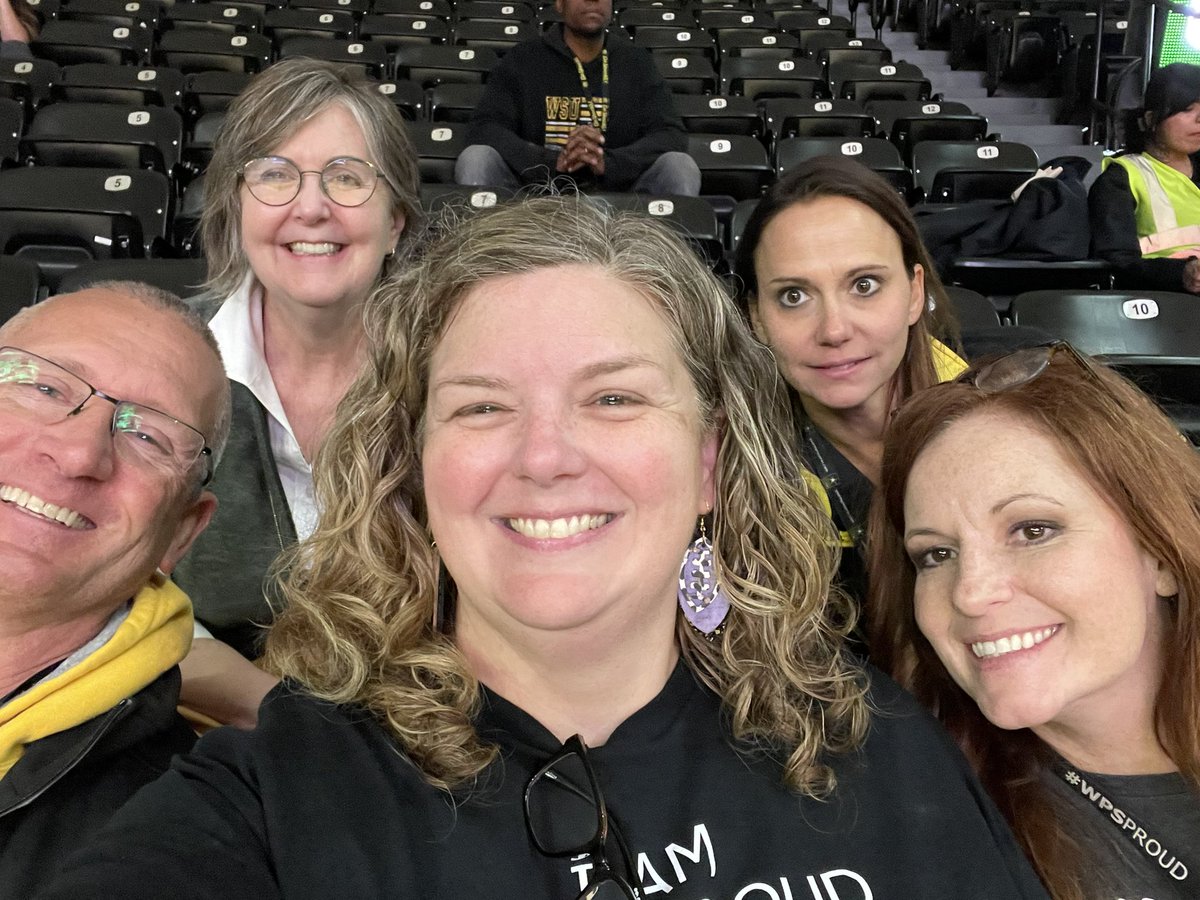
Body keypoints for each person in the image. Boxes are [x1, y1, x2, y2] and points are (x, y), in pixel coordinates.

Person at [44, 198, 1048, 900]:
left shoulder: (872, 743)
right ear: (415, 471)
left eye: (613, 398)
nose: (547, 457)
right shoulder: (272, 795)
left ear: (707, 465)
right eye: (482, 407)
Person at [867, 343, 1200, 900]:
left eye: (1033, 530)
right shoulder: (916, 823)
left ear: (1160, 551)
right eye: (936, 555)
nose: (971, 594)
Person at [172, 58, 421, 729]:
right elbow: (119, 603)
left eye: (346, 177)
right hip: (209, 746)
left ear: (395, 219)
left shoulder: (459, 376)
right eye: (275, 176)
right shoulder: (165, 374)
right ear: (236, 207)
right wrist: (281, 720)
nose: (311, 207)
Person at [0, 282, 231, 898]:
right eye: (45, 387)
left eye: (149, 436)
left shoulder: (190, 832)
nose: (79, 452)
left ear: (180, 532)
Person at [733, 155, 965, 610]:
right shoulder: (732, 474)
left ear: (915, 293)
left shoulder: (1008, 421)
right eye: (793, 296)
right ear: (757, 317)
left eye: (864, 286)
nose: (834, 330)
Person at [454, 0, 700, 195]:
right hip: (534, 197)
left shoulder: (636, 62)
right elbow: (485, 128)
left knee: (679, 166)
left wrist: (608, 162)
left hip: (619, 202)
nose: (593, 0)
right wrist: (551, 162)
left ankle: (669, 258)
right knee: (476, 158)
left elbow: (670, 135)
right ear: (560, 3)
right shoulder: (523, 60)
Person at [1090, 62, 1200, 293]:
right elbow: (1117, 264)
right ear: (1150, 119)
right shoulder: (1122, 179)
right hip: (1164, 303)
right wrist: (1182, 274)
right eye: (1188, 109)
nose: (1199, 119)